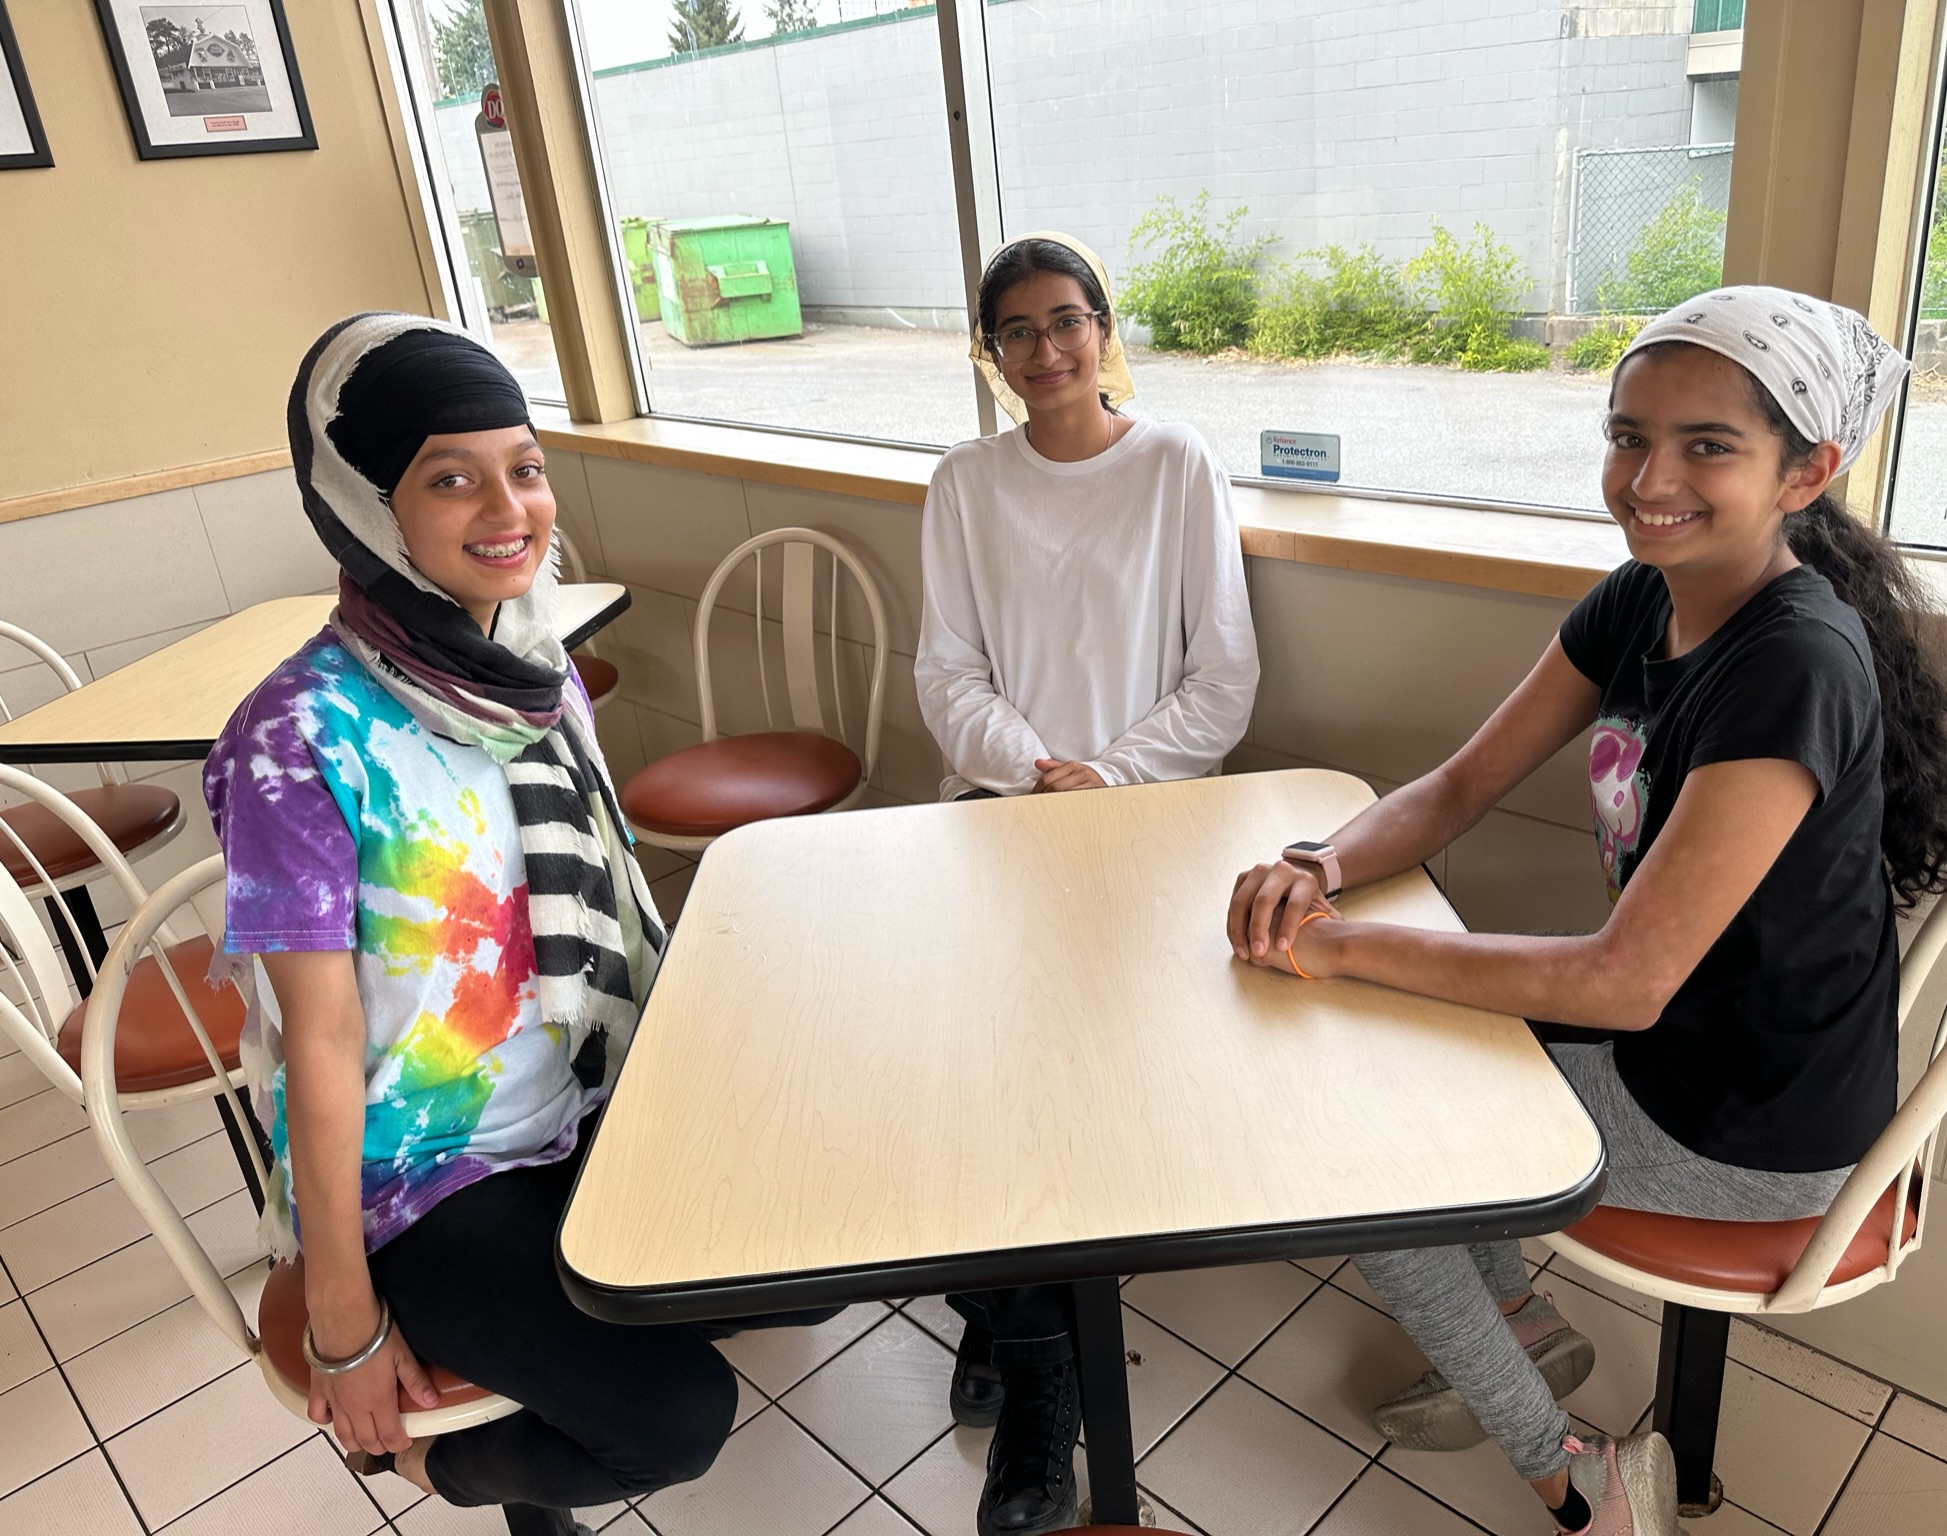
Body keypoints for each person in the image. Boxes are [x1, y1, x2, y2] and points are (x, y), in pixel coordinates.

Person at [1224, 287, 1947, 1536]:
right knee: (1394, 1048)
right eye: (1628, 435)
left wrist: (1341, 951)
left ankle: (1580, 1484)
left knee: (1367, 1154)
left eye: (1708, 446)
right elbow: (1459, 786)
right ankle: (1519, 1321)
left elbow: (1621, 982)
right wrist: (1319, 867)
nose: (1649, 480)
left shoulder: (1793, 662)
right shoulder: (1646, 592)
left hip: (1754, 1120)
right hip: (1673, 1040)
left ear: (1807, 473)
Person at [203, 314, 833, 1536]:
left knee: (815, 1268)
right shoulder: (296, 736)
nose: (509, 510)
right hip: (426, 1179)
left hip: (588, 1100)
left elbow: (604, 903)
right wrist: (343, 1317)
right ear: (365, 504)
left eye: (526, 468)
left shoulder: (533, 668)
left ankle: (555, 1357)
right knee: (674, 1421)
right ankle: (424, 1464)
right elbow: (319, 1045)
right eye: (451, 478)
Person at [914, 234, 1260, 1536]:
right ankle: (1018, 1325)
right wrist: (1032, 770)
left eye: (1068, 320)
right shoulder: (964, 483)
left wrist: (1104, 777)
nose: (1047, 348)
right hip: (1000, 815)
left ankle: (1031, 1356)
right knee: (972, 1086)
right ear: (991, 354)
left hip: (1143, 822)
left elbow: (1224, 679)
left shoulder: (1175, 466)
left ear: (1104, 330)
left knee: (1089, 1099)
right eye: (1017, 330)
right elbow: (946, 674)